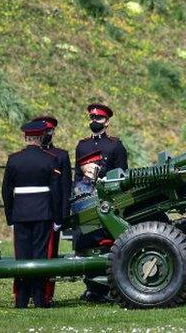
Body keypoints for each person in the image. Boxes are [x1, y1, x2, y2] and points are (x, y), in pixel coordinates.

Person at [1, 120, 63, 308]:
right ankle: (39, 299)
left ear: (25, 137)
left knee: (22, 256)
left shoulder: (14, 159)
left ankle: (21, 299)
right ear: (41, 137)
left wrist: (10, 215)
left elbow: (5, 191)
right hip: (43, 213)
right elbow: (56, 192)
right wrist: (57, 218)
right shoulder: (50, 159)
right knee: (40, 256)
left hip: (21, 213)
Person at [74, 103, 127, 302]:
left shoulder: (115, 145)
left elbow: (121, 175)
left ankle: (110, 288)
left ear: (107, 121)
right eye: (92, 118)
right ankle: (92, 287)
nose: (94, 121)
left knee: (108, 243)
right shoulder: (82, 146)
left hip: (106, 200)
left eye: (98, 118)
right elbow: (77, 176)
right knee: (86, 242)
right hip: (86, 198)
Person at [31, 115, 72, 306]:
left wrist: (62, 216)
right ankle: (28, 292)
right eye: (44, 131)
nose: (47, 134)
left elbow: (65, 188)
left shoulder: (60, 155)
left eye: (50, 130)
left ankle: (46, 294)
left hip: (51, 213)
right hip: (32, 211)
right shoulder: (29, 155)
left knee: (49, 254)